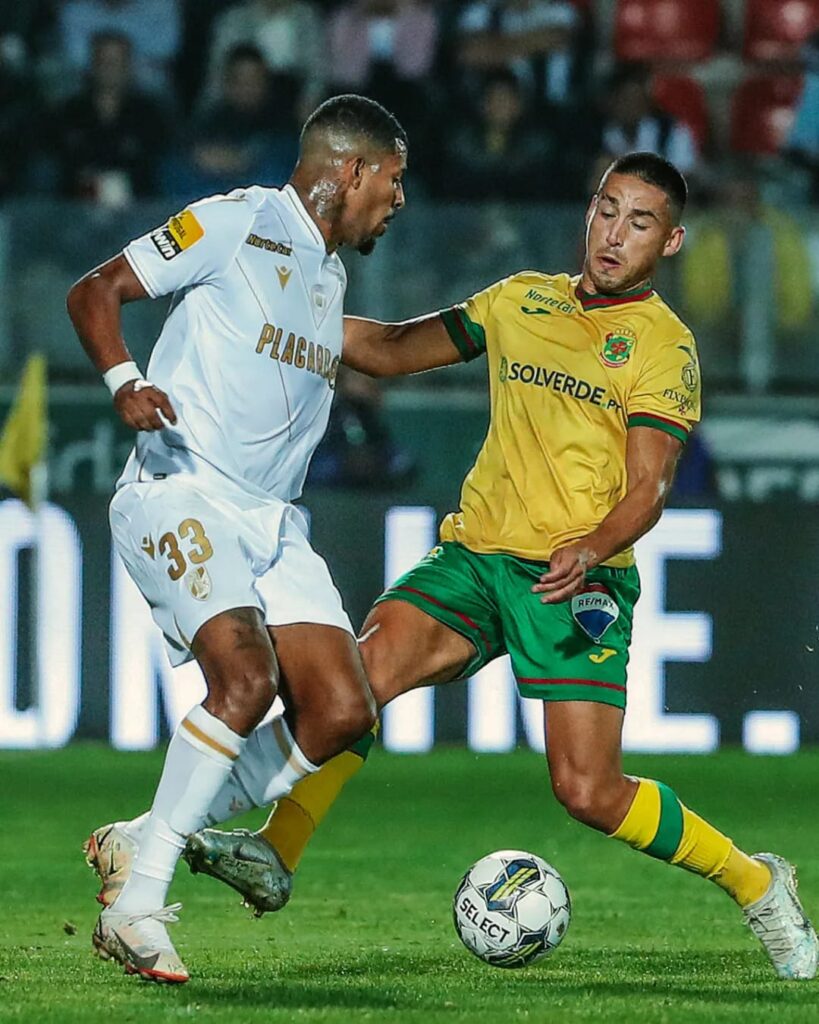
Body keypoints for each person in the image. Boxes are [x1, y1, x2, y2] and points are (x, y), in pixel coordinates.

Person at [85, 152, 819, 982]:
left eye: (639, 222)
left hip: (575, 580)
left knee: (588, 791)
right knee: (352, 690)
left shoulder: (662, 346)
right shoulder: (520, 300)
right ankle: (274, 849)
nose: (614, 235)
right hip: (474, 557)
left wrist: (592, 546)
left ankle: (756, 883)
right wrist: (273, 317)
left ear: (671, 242)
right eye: (606, 210)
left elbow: (649, 487)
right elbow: (392, 348)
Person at [68, 93, 408, 984]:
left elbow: (378, 350)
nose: (398, 201)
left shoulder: (329, 274)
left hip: (273, 519)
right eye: (393, 180)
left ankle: (150, 833)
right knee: (247, 683)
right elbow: (95, 290)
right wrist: (123, 381)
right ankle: (136, 908)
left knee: (341, 712)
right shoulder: (235, 222)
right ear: (351, 170)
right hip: (182, 492)